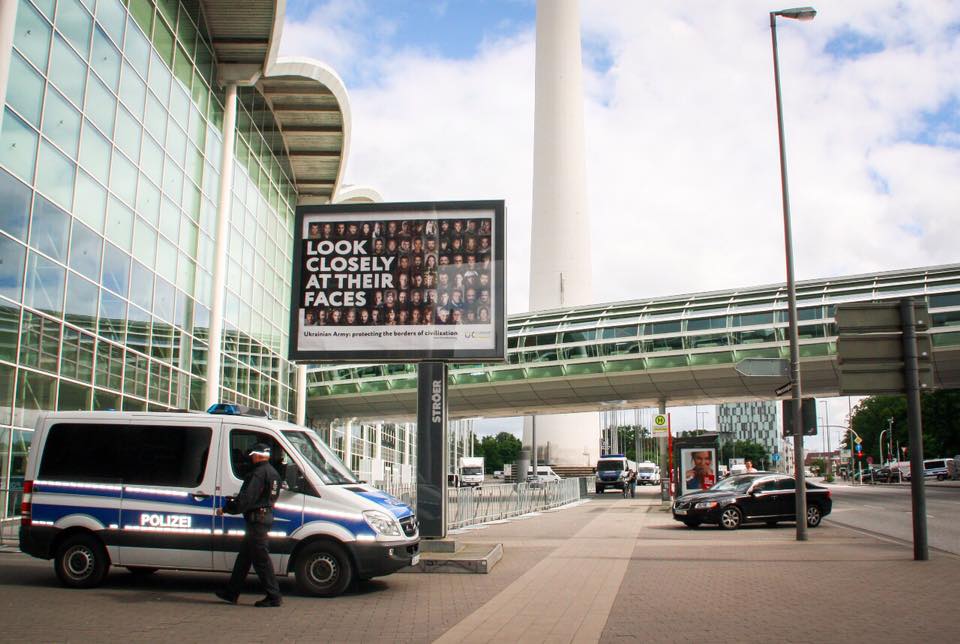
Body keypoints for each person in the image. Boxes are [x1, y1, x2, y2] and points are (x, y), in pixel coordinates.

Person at [216, 443, 283, 607]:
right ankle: (231, 593)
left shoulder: (257, 474)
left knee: (261, 560)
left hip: (257, 520)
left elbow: (246, 499)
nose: (251, 457)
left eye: (253, 454)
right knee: (244, 559)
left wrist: (226, 509)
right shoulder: (273, 473)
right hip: (264, 516)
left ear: (259, 455)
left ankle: (274, 596)